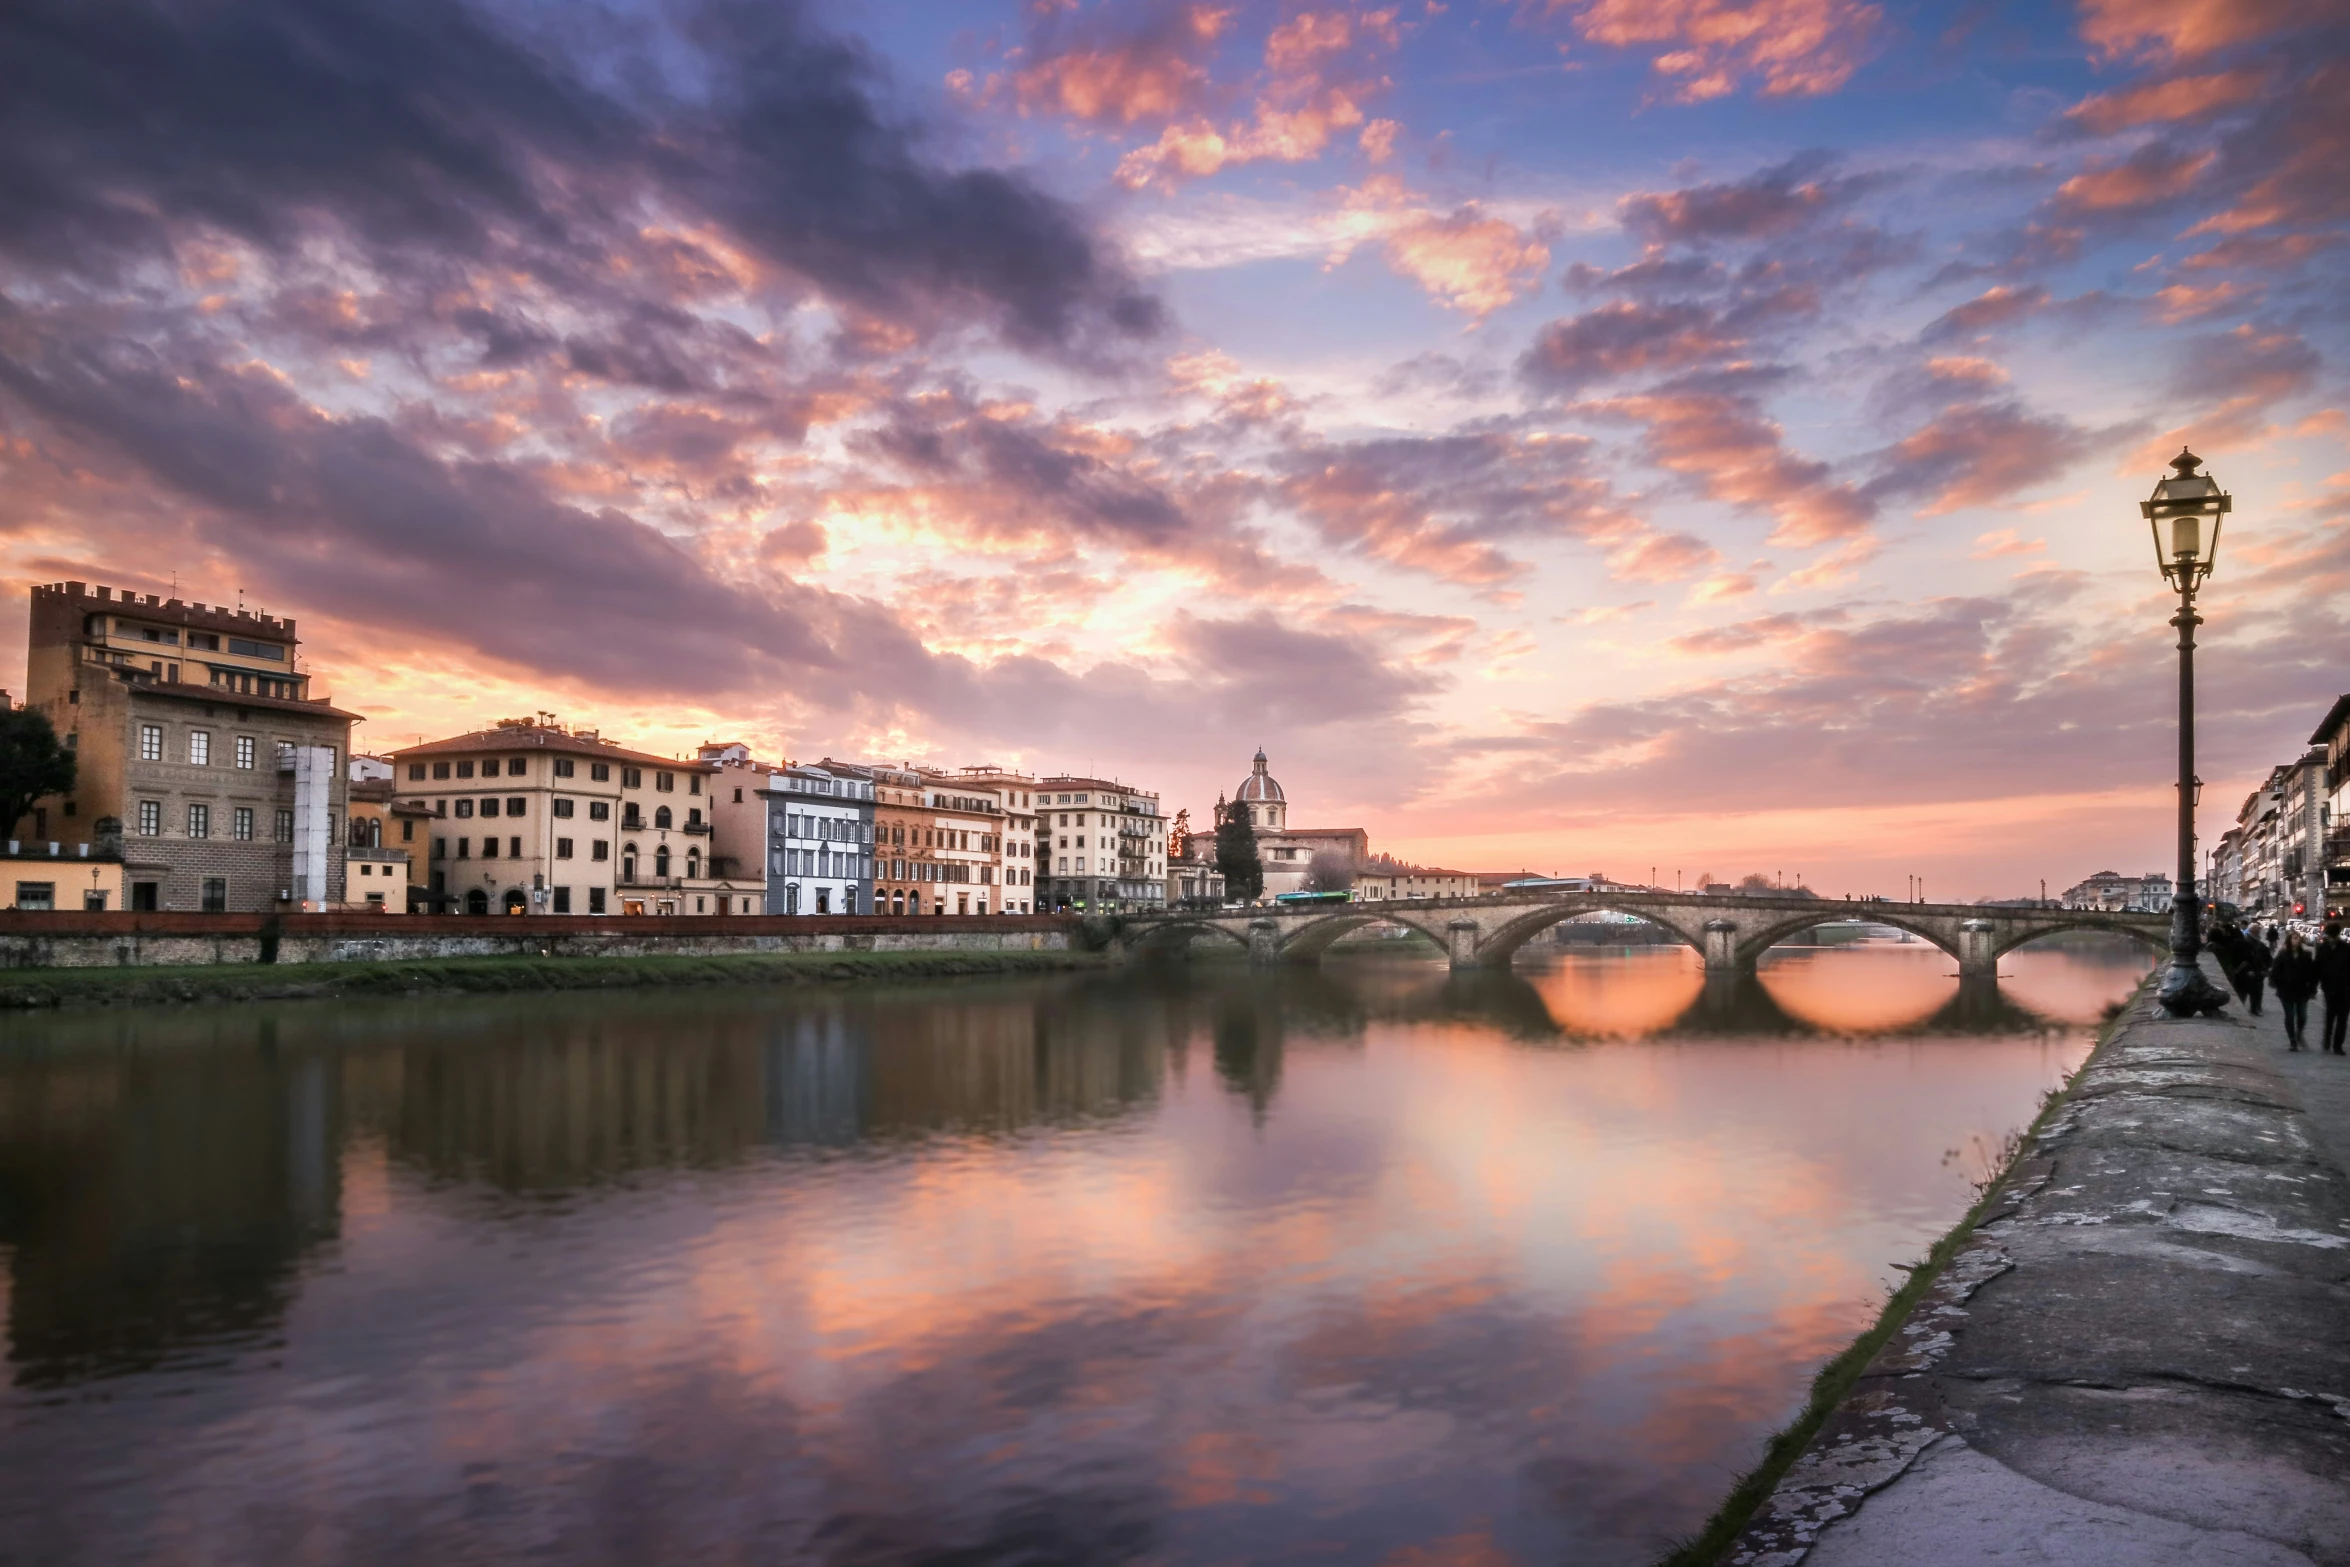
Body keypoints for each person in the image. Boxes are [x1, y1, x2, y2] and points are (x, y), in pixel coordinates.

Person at [2273, 932, 2319, 1052]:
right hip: (2286, 991)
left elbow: (2313, 974)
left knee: (2302, 1016)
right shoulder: (2282, 955)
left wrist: (2312, 989)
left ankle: (2299, 1033)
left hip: (2302, 991)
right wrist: (2281, 983)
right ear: (2289, 940)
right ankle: (2292, 1040)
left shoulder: (2306, 955)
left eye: (2297, 938)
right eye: (2293, 938)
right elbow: (2275, 972)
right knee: (2290, 1016)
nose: (2296, 940)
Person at [2319, 924, 2350, 1057]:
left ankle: (2337, 1045)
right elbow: (2317, 967)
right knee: (2331, 1016)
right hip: (2330, 987)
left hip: (2344, 988)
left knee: (2342, 1018)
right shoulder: (2323, 948)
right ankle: (2327, 1041)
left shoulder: (2345, 948)